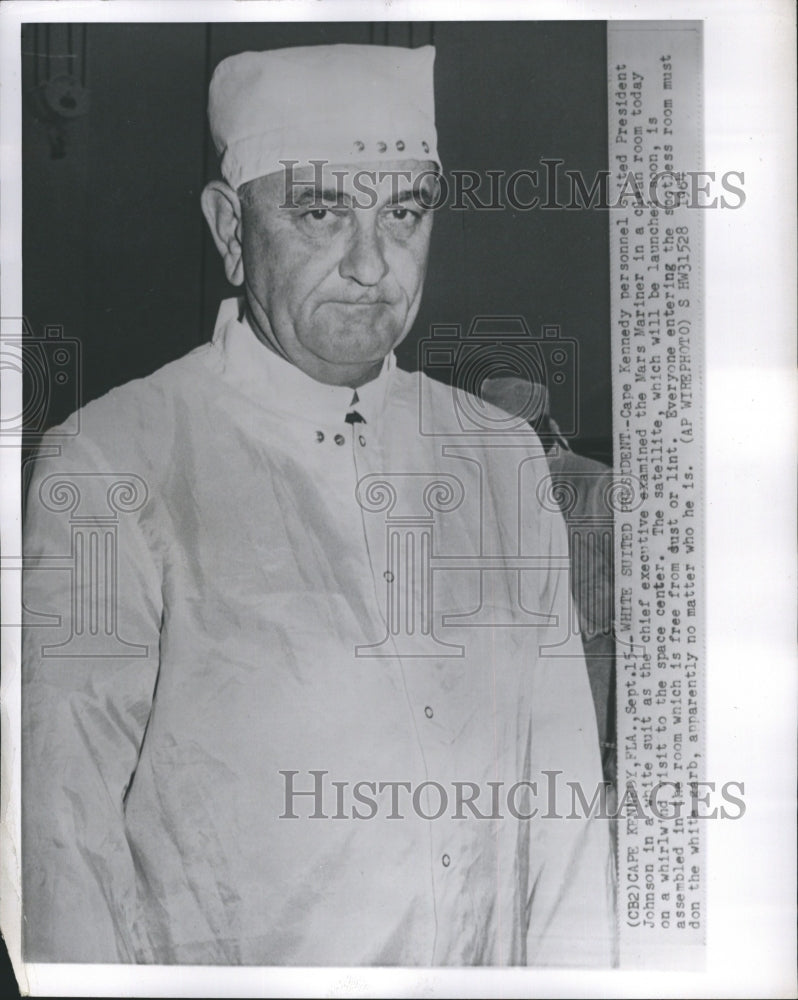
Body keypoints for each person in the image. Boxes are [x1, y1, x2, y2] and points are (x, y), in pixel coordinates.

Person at [22, 44, 615, 967]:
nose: (372, 264)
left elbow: (567, 796)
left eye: (405, 213)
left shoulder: (499, 459)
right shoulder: (111, 463)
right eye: (319, 211)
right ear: (230, 229)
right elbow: (59, 838)